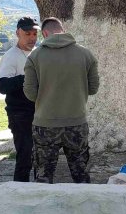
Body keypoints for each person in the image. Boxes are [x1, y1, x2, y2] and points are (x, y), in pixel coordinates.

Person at [23, 17, 100, 184]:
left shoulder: (34, 57)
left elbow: (30, 93)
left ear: (44, 33)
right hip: (76, 123)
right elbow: (93, 88)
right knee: (81, 176)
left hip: (45, 125)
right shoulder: (86, 54)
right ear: (63, 30)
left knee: (43, 177)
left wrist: (47, 95)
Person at [0, 16, 39, 182]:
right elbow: (2, 86)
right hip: (19, 115)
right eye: (27, 34)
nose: (32, 38)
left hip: (38, 113)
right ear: (18, 33)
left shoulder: (38, 53)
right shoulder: (11, 56)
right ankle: (18, 190)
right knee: (25, 156)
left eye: (34, 34)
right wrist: (27, 77)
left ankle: (37, 190)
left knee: (39, 156)